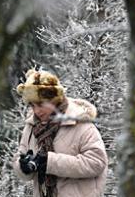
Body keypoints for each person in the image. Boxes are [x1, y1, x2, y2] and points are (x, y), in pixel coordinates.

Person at [13, 69, 108, 197]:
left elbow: (97, 163)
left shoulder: (80, 123)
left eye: (41, 104)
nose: (37, 111)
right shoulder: (32, 126)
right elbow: (20, 157)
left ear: (54, 100)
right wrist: (23, 166)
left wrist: (50, 162)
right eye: (32, 105)